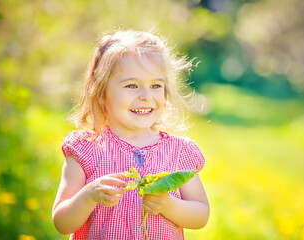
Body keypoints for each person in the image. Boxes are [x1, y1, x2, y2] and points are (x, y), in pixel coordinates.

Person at [52, 29, 209, 240]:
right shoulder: (86, 149)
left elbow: (201, 215)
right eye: (132, 85)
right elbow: (62, 222)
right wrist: (89, 196)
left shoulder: (179, 152)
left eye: (156, 85)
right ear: (102, 94)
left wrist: (169, 205)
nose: (146, 96)